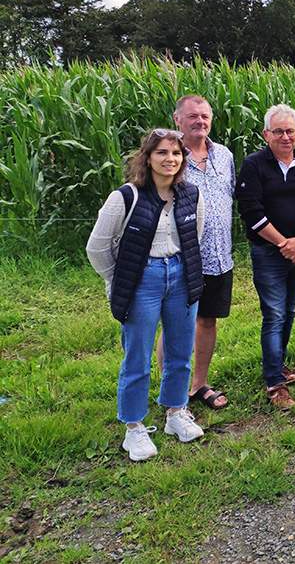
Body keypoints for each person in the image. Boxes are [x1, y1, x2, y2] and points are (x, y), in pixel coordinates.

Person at [87, 129, 206, 461]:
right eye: (162, 153)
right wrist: (121, 279)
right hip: (144, 280)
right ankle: (134, 428)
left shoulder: (191, 194)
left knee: (181, 349)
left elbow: (193, 236)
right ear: (148, 158)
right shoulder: (126, 196)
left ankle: (175, 413)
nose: (170, 159)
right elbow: (96, 248)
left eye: (177, 154)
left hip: (182, 276)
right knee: (137, 356)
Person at [235, 104, 295, 409]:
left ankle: (278, 366)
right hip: (268, 252)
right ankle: (274, 383)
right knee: (273, 315)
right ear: (266, 134)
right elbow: (251, 211)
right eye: (278, 131)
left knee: (288, 311)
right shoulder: (253, 165)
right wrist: (283, 244)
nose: (285, 137)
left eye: (290, 131)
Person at [155, 95, 236, 410]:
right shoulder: (170, 156)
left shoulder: (225, 155)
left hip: (220, 257)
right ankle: (172, 390)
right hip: (181, 257)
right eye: (192, 116)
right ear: (178, 120)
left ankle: (199, 384)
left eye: (204, 116)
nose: (199, 121)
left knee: (207, 321)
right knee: (175, 322)